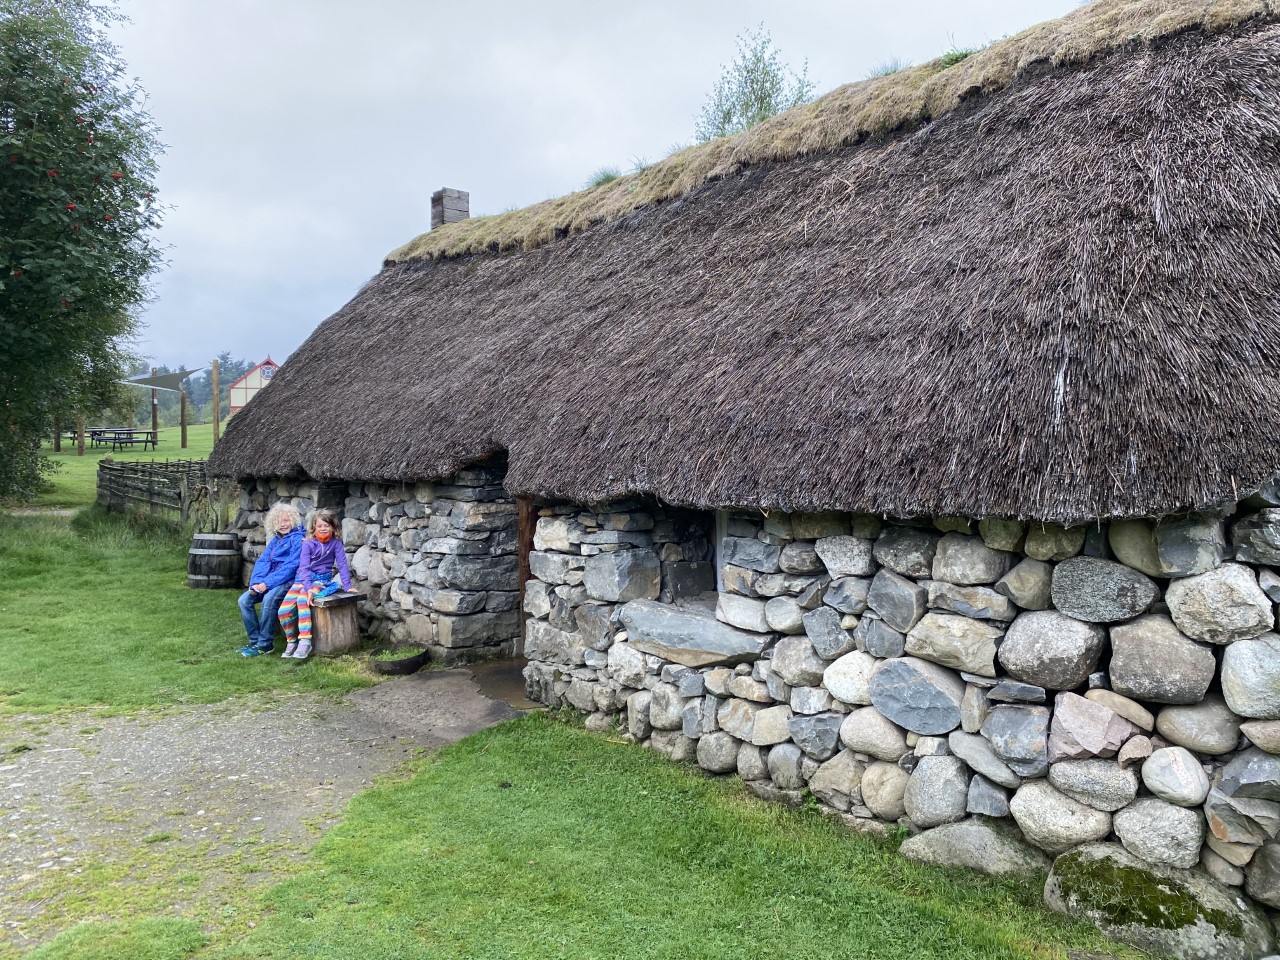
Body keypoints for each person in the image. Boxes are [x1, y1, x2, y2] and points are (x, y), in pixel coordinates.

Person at [277, 508, 352, 660]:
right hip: (303, 580)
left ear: (333, 527)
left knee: (302, 600)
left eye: (327, 525)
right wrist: (307, 587)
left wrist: (348, 585)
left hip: (321, 580)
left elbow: (343, 565)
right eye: (319, 526)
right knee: (283, 611)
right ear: (314, 527)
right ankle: (291, 641)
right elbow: (303, 567)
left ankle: (305, 641)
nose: (323, 529)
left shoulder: (336, 544)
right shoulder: (308, 544)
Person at [237, 503, 304, 657]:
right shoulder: (275, 541)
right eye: (278, 522)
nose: (283, 525)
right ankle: (255, 642)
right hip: (269, 581)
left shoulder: (298, 539)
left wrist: (266, 584)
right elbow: (263, 562)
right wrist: (256, 584)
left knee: (269, 599)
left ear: (293, 521)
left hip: (289, 581)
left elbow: (291, 567)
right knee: (244, 600)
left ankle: (265, 644)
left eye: (286, 521)